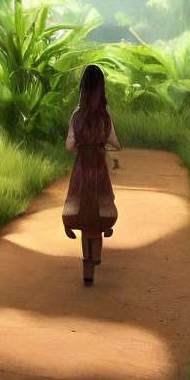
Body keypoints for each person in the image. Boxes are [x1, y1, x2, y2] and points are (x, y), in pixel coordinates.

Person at [62, 64, 121, 285]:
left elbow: (69, 144)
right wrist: (103, 147)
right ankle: (96, 254)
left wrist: (81, 150)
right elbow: (115, 143)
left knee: (82, 206)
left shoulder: (76, 116)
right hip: (99, 167)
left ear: (82, 88)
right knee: (101, 207)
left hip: (82, 168)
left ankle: (87, 264)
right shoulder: (105, 116)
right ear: (102, 88)